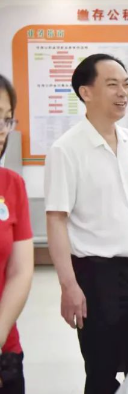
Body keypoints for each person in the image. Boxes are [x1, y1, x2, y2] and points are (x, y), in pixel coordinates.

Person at [44, 54, 128, 394]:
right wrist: (68, 285)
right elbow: (56, 220)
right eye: (112, 84)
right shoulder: (66, 149)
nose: (123, 92)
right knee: (101, 373)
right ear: (86, 92)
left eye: (126, 84)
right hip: (98, 279)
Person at [0, 75, 33, 394]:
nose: (1, 129)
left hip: (4, 347)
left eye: (6, 118)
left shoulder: (11, 184)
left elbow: (20, 271)